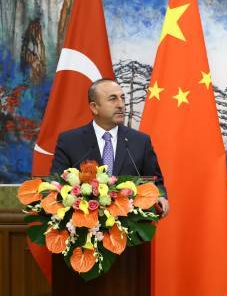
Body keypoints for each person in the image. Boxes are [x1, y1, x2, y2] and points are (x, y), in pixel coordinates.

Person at [50, 78, 169, 216]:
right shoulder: (70, 141)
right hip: (84, 227)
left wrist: (160, 196)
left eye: (122, 98)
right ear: (94, 107)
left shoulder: (140, 141)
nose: (121, 105)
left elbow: (155, 181)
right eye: (113, 99)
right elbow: (57, 183)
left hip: (130, 227)